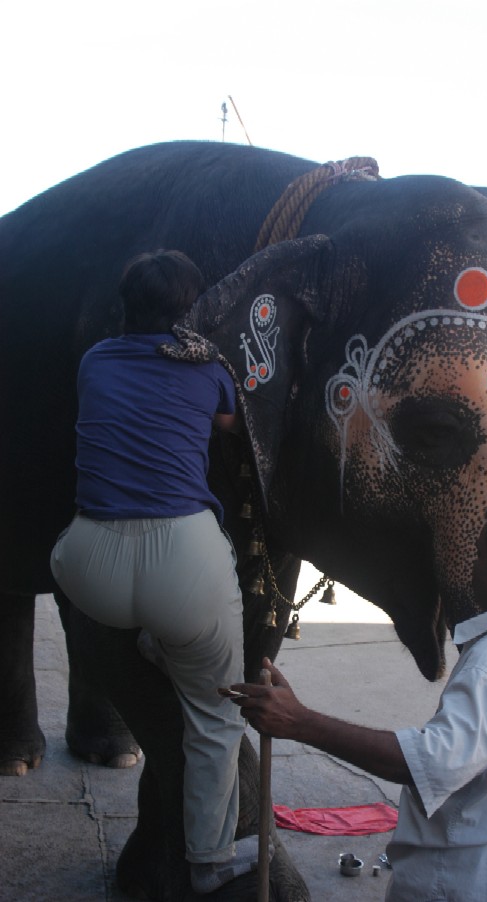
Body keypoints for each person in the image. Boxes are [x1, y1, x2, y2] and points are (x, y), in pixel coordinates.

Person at [230, 502, 487, 901]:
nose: (471, 567)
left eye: (479, 556)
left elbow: (426, 763)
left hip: (469, 882)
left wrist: (299, 721)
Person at [51, 250, 260, 895]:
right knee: (215, 717)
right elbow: (230, 423)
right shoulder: (208, 370)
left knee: (78, 561)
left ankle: (149, 639)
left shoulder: (94, 362)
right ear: (189, 308)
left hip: (90, 567)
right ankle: (208, 862)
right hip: (184, 562)